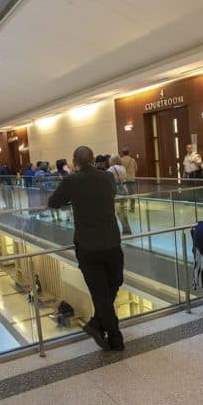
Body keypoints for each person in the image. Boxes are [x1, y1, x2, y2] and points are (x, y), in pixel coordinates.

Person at [48, 146, 126, 352]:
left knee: (100, 292)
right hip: (111, 242)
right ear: (92, 159)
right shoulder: (107, 178)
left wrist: (71, 197)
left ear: (75, 162)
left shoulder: (71, 181)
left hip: (87, 246)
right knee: (114, 283)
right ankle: (110, 333)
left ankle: (100, 327)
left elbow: (53, 202)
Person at [108, 155, 133, 235]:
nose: (109, 161)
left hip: (117, 191)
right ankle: (126, 229)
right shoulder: (122, 167)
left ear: (113, 161)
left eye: (110, 160)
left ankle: (125, 230)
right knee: (123, 211)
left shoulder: (112, 169)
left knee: (119, 212)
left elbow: (107, 177)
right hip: (124, 189)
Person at [119, 147, 138, 211]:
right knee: (131, 193)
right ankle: (132, 208)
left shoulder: (120, 160)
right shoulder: (132, 160)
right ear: (128, 152)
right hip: (132, 179)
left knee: (123, 193)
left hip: (123, 179)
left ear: (122, 153)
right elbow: (136, 169)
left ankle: (123, 208)